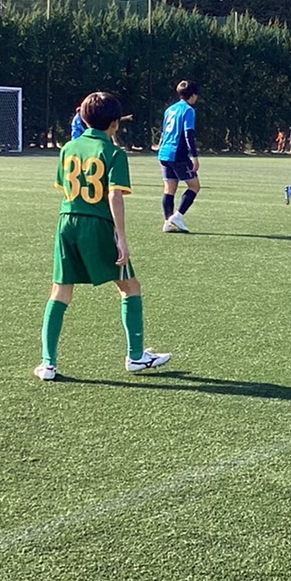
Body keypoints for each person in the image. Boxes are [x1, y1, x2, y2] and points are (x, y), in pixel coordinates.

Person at [35, 90, 170, 381]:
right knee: (130, 287)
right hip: (97, 225)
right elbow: (114, 196)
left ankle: (48, 364)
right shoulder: (114, 153)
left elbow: (65, 188)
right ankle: (136, 357)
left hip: (67, 222)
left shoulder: (68, 148)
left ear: (83, 119)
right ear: (115, 123)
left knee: (60, 291)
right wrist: (121, 237)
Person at [158, 80, 202, 233]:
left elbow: (164, 132)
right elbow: (188, 134)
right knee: (195, 186)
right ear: (193, 95)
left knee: (169, 188)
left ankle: (167, 222)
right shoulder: (188, 110)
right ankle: (177, 216)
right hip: (178, 154)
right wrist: (194, 157)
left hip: (164, 153)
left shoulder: (169, 109)